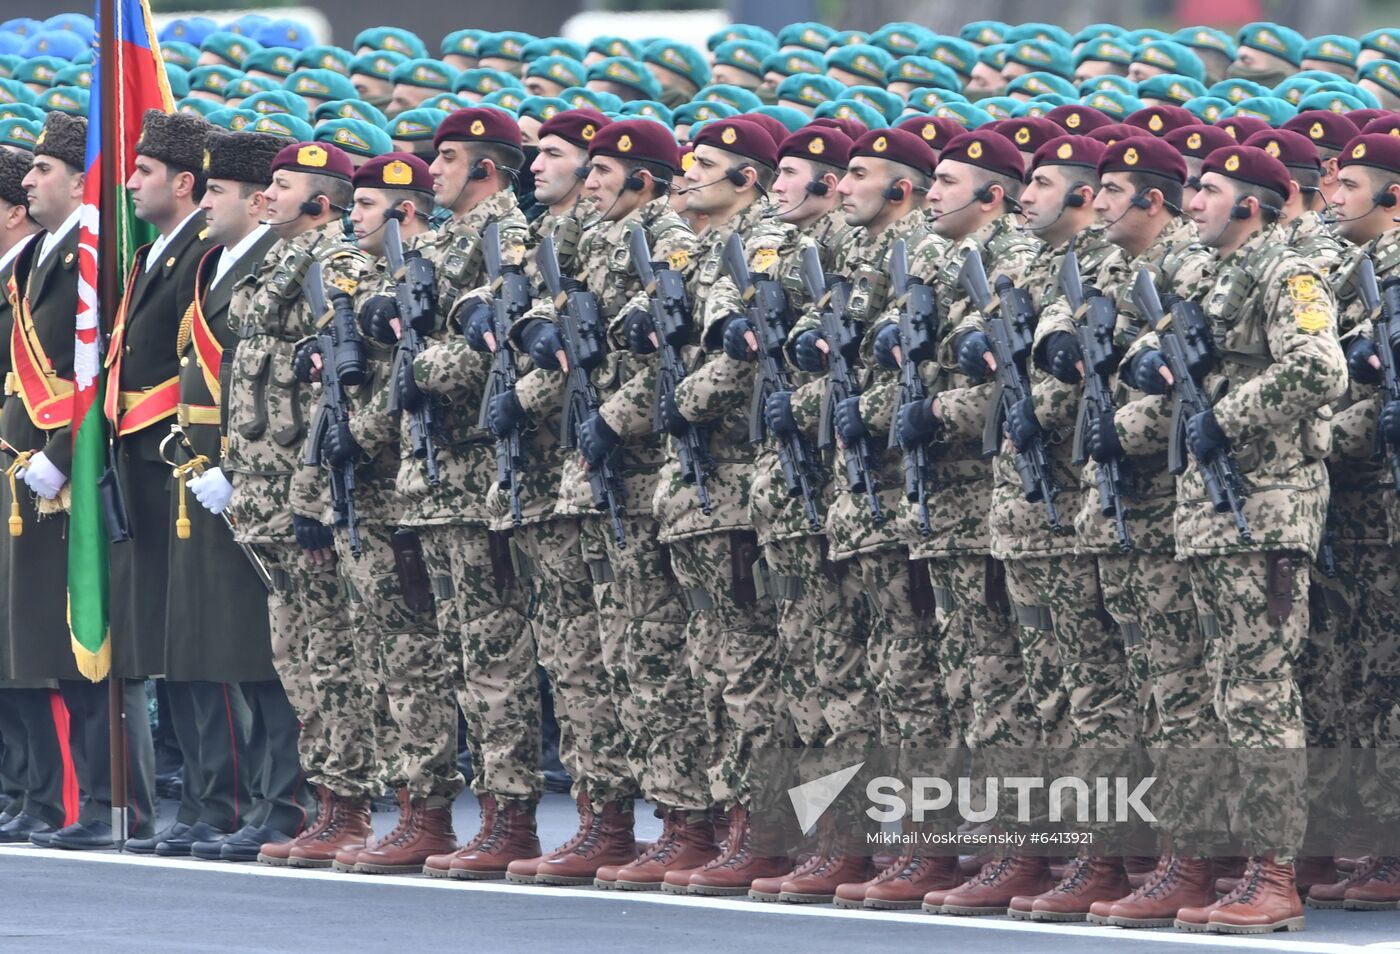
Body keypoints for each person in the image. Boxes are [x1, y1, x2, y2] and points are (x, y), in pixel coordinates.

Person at [1126, 143, 1347, 934]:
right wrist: (1133, 423)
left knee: (1257, 694)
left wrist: (1226, 418)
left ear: (1252, 205)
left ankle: (1273, 871)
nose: (1192, 203)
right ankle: (1208, 858)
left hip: (1265, 509)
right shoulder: (1207, 280)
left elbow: (1321, 370)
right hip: (1207, 513)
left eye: (1210, 191)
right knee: (1207, 691)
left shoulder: (1287, 274)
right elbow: (1191, 396)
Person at [208, 140, 379, 869]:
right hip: (266, 495)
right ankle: (326, 805)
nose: (266, 197)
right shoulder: (274, 267)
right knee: (299, 659)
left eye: (282, 187)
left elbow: (333, 399)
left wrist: (311, 499)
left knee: (334, 656)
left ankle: (352, 807)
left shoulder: (334, 268)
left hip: (306, 497)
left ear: (321, 203)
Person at [4, 112, 158, 849]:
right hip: (33, 474)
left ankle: (111, 802)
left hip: (73, 468)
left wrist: (63, 450)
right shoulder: (43, 258)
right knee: (49, 638)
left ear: (77, 178)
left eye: (41, 170)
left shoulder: (96, 256)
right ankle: (63, 799)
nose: (29, 181)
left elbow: (99, 366)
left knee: (94, 638)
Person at [306, 151, 460, 875]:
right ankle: (398, 803)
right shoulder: (361, 280)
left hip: (408, 491)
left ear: (403, 211)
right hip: (360, 494)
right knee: (377, 659)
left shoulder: (423, 273)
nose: (351, 217)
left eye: (364, 207)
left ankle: (428, 812)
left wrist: (358, 434)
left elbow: (412, 382)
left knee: (413, 658)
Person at [179, 127, 313, 864]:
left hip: (257, 477)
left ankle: (283, 803)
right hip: (212, 477)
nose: (206, 203)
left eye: (219, 191)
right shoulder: (215, 263)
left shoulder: (280, 260)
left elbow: (273, 380)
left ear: (259, 201)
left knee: (271, 658)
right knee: (236, 646)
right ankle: (260, 803)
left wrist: (236, 462)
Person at [107, 109, 216, 856]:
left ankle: (223, 801)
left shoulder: (202, 254)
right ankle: (205, 801)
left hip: (178, 458)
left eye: (143, 172)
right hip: (143, 464)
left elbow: (195, 367)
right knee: (169, 639)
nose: (130, 182)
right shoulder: (152, 257)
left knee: (204, 644)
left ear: (184, 182)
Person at [0, 142, 69, 846]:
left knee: (37, 641)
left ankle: (56, 795)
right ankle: (26, 788)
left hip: (37, 468)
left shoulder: (41, 269)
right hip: (15, 464)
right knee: (9, 645)